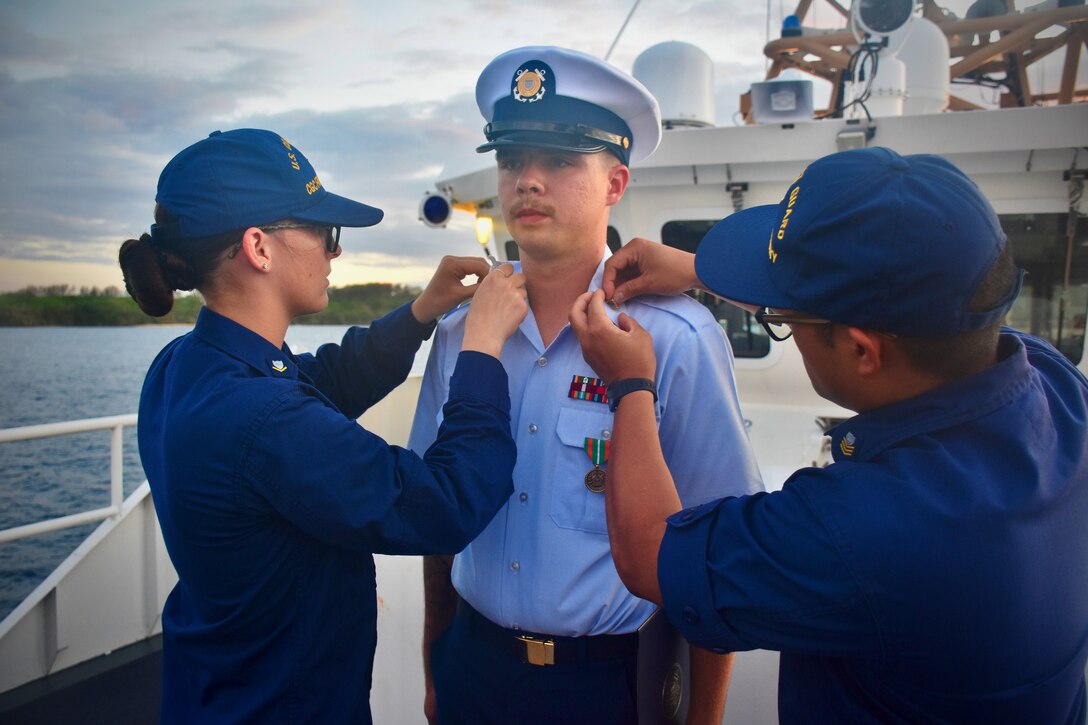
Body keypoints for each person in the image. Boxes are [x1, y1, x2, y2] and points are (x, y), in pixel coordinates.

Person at [570, 146, 1088, 723]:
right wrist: (701, 271)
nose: (781, 320)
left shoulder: (870, 531)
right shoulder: (1055, 388)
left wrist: (630, 385)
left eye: (783, 321)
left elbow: (648, 554)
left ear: (864, 351)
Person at [118, 128, 528, 723]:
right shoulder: (264, 419)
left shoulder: (187, 365)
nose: (334, 252)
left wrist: (420, 313)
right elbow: (445, 505)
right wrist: (483, 349)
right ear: (258, 247)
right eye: (322, 232)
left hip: (214, 694)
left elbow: (320, 382)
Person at [408, 47, 763, 724]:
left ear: (616, 182)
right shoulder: (460, 335)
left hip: (607, 686)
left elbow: (716, 548)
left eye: (561, 160)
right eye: (512, 160)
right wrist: (435, 664)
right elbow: (437, 523)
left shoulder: (676, 339)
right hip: (471, 668)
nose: (527, 181)